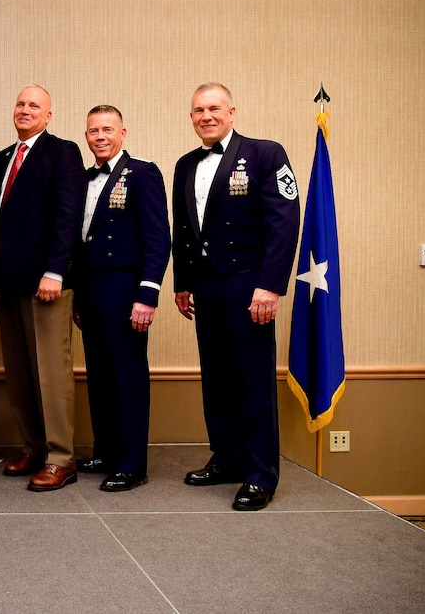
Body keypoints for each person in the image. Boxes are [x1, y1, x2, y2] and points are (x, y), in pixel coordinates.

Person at [172, 82, 300, 512]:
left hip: (249, 285)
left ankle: (261, 474)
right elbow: (183, 231)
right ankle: (226, 458)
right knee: (218, 377)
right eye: (197, 110)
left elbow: (284, 223)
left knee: (253, 380)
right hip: (206, 286)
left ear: (232, 111)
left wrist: (270, 285)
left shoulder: (266, 154)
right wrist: (182, 282)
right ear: (191, 117)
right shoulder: (185, 164)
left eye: (213, 108)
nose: (205, 116)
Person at [0, 85, 85, 492]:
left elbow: (68, 216)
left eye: (34, 105)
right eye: (19, 103)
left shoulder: (63, 152)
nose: (24, 109)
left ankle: (60, 457)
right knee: (20, 370)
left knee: (52, 372)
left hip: (46, 282)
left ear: (48, 115)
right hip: (10, 281)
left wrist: (56, 271)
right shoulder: (2, 158)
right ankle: (34, 446)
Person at [72, 105, 170, 492]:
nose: (100, 136)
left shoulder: (143, 173)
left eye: (107, 129)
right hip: (92, 289)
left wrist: (148, 294)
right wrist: (78, 294)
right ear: (86, 136)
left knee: (127, 375)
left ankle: (132, 463)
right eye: (93, 130)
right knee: (99, 373)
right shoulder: (82, 179)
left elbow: (158, 238)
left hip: (126, 289)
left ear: (123, 133)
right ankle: (106, 450)